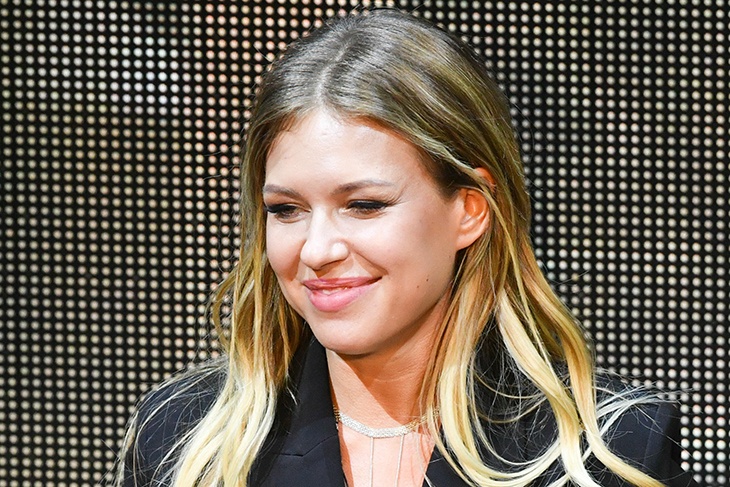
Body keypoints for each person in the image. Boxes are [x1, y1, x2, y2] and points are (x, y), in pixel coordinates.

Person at [118, 9, 698, 487]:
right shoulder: (183, 441)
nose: (316, 250)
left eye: (364, 205)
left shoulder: (610, 452)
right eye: (286, 210)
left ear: (470, 210)